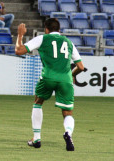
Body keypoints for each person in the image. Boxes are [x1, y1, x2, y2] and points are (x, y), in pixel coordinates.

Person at [15, 18, 85, 151]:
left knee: (38, 101)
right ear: (59, 29)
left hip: (48, 77)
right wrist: (72, 75)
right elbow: (81, 67)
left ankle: (36, 138)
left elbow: (19, 51)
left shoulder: (43, 38)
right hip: (65, 79)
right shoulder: (69, 42)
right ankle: (68, 134)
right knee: (67, 112)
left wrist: (20, 35)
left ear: (46, 29)